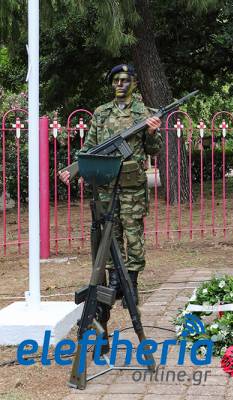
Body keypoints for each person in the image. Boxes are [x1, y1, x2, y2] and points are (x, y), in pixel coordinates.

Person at [59, 64, 162, 307]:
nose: (119, 84)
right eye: (116, 80)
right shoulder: (102, 113)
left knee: (133, 234)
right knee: (110, 234)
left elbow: (153, 150)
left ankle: (132, 285)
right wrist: (74, 168)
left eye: (125, 80)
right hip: (106, 186)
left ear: (135, 83)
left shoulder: (144, 113)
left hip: (133, 187)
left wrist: (151, 133)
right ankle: (116, 281)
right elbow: (89, 148)